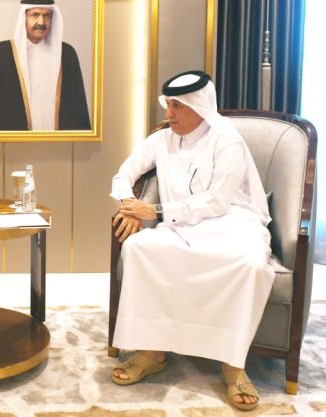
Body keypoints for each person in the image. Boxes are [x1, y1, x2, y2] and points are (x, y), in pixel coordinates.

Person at [109, 71, 275, 411]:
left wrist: (154, 210)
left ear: (199, 106)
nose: (168, 113)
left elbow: (218, 201)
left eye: (177, 106)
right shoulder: (162, 139)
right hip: (181, 225)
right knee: (139, 248)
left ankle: (232, 365)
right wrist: (129, 206)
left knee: (250, 264)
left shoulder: (226, 139)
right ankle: (152, 352)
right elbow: (123, 174)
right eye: (168, 105)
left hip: (232, 223)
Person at [0, 0, 90, 131]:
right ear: (24, 18)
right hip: (14, 141)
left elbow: (78, 105)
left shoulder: (67, 54)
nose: (41, 22)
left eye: (47, 16)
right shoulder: (0, 54)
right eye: (35, 15)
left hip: (57, 140)